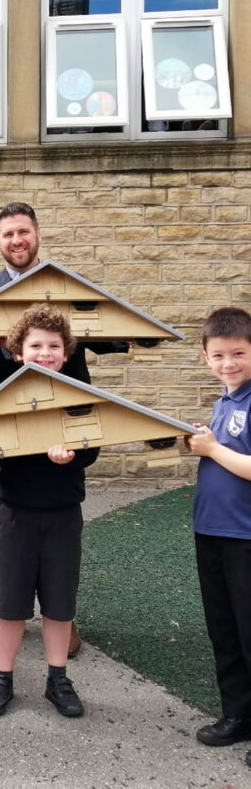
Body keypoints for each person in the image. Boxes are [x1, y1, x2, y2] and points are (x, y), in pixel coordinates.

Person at [0, 201, 127, 654]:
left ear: (37, 234)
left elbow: (108, 334)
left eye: (23, 232)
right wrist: (7, 347)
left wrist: (124, 332)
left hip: (64, 409)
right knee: (12, 515)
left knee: (60, 511)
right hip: (5, 411)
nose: (16, 241)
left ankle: (62, 618)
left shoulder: (65, 286)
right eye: (8, 234)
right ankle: (7, 616)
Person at [0, 303, 97, 719]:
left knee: (59, 602)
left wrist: (74, 457)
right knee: (10, 601)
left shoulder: (78, 389)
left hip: (63, 510)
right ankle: (2, 676)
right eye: (35, 345)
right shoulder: (0, 391)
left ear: (66, 353)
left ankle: (57, 678)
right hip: (16, 509)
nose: (44, 353)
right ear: (17, 351)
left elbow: (92, 446)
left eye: (53, 346)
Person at [185, 307, 251, 767]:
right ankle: (238, 716)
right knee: (224, 630)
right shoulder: (225, 401)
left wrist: (212, 448)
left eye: (240, 354)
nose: (229, 363)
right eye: (220, 355)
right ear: (206, 357)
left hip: (245, 536)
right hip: (210, 531)